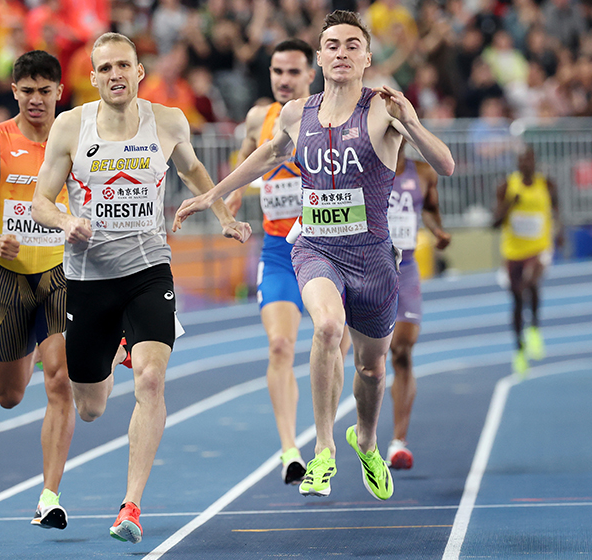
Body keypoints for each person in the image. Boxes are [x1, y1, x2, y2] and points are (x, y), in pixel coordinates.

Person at [174, 11, 455, 501]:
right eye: (332, 44)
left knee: (372, 368)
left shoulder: (383, 109)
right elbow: (266, 157)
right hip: (315, 248)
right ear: (319, 57)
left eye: (352, 45)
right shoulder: (294, 113)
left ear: (367, 57)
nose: (341, 52)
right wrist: (210, 196)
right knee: (326, 327)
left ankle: (364, 440)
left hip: (372, 258)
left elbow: (445, 165)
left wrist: (411, 121)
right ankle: (323, 450)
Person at [30, 32, 251, 544]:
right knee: (90, 407)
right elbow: (40, 200)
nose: (115, 75)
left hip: (149, 270)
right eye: (104, 68)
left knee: (151, 380)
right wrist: (65, 221)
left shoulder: (167, 121)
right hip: (88, 278)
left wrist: (221, 213)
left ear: (139, 71)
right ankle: (114, 350)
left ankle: (131, 506)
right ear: (92, 77)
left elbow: (196, 172)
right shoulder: (70, 126)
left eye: (123, 65)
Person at [224, 38, 351, 486]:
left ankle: (326, 439)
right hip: (278, 251)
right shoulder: (260, 118)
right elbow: (246, 156)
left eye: (293, 72)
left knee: (335, 345)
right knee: (280, 346)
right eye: (277, 71)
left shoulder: (326, 115)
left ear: (310, 75)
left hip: (326, 249)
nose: (283, 80)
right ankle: (290, 450)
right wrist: (234, 195)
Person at [0, 50, 73, 530]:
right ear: (13, 91)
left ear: (59, 93)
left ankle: (49, 495)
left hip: (61, 273)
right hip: (10, 276)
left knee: (60, 380)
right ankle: (27, 343)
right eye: (26, 91)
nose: (35, 100)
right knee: (10, 396)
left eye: (44, 91)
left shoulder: (74, 140)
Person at [385, 142, 451, 470]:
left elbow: (428, 209)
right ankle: (365, 432)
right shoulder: (366, 168)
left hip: (407, 268)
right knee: (368, 360)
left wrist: (437, 230)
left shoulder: (422, 173)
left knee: (402, 350)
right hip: (371, 268)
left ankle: (399, 440)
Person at [492, 146, 559, 377]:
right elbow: (494, 223)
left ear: (535, 162)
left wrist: (559, 232)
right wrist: (511, 203)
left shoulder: (547, 185)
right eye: (521, 161)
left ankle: (534, 330)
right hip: (513, 253)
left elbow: (557, 211)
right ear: (517, 164)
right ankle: (519, 349)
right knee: (517, 298)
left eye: (529, 160)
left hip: (539, 248)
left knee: (531, 281)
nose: (526, 165)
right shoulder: (506, 187)